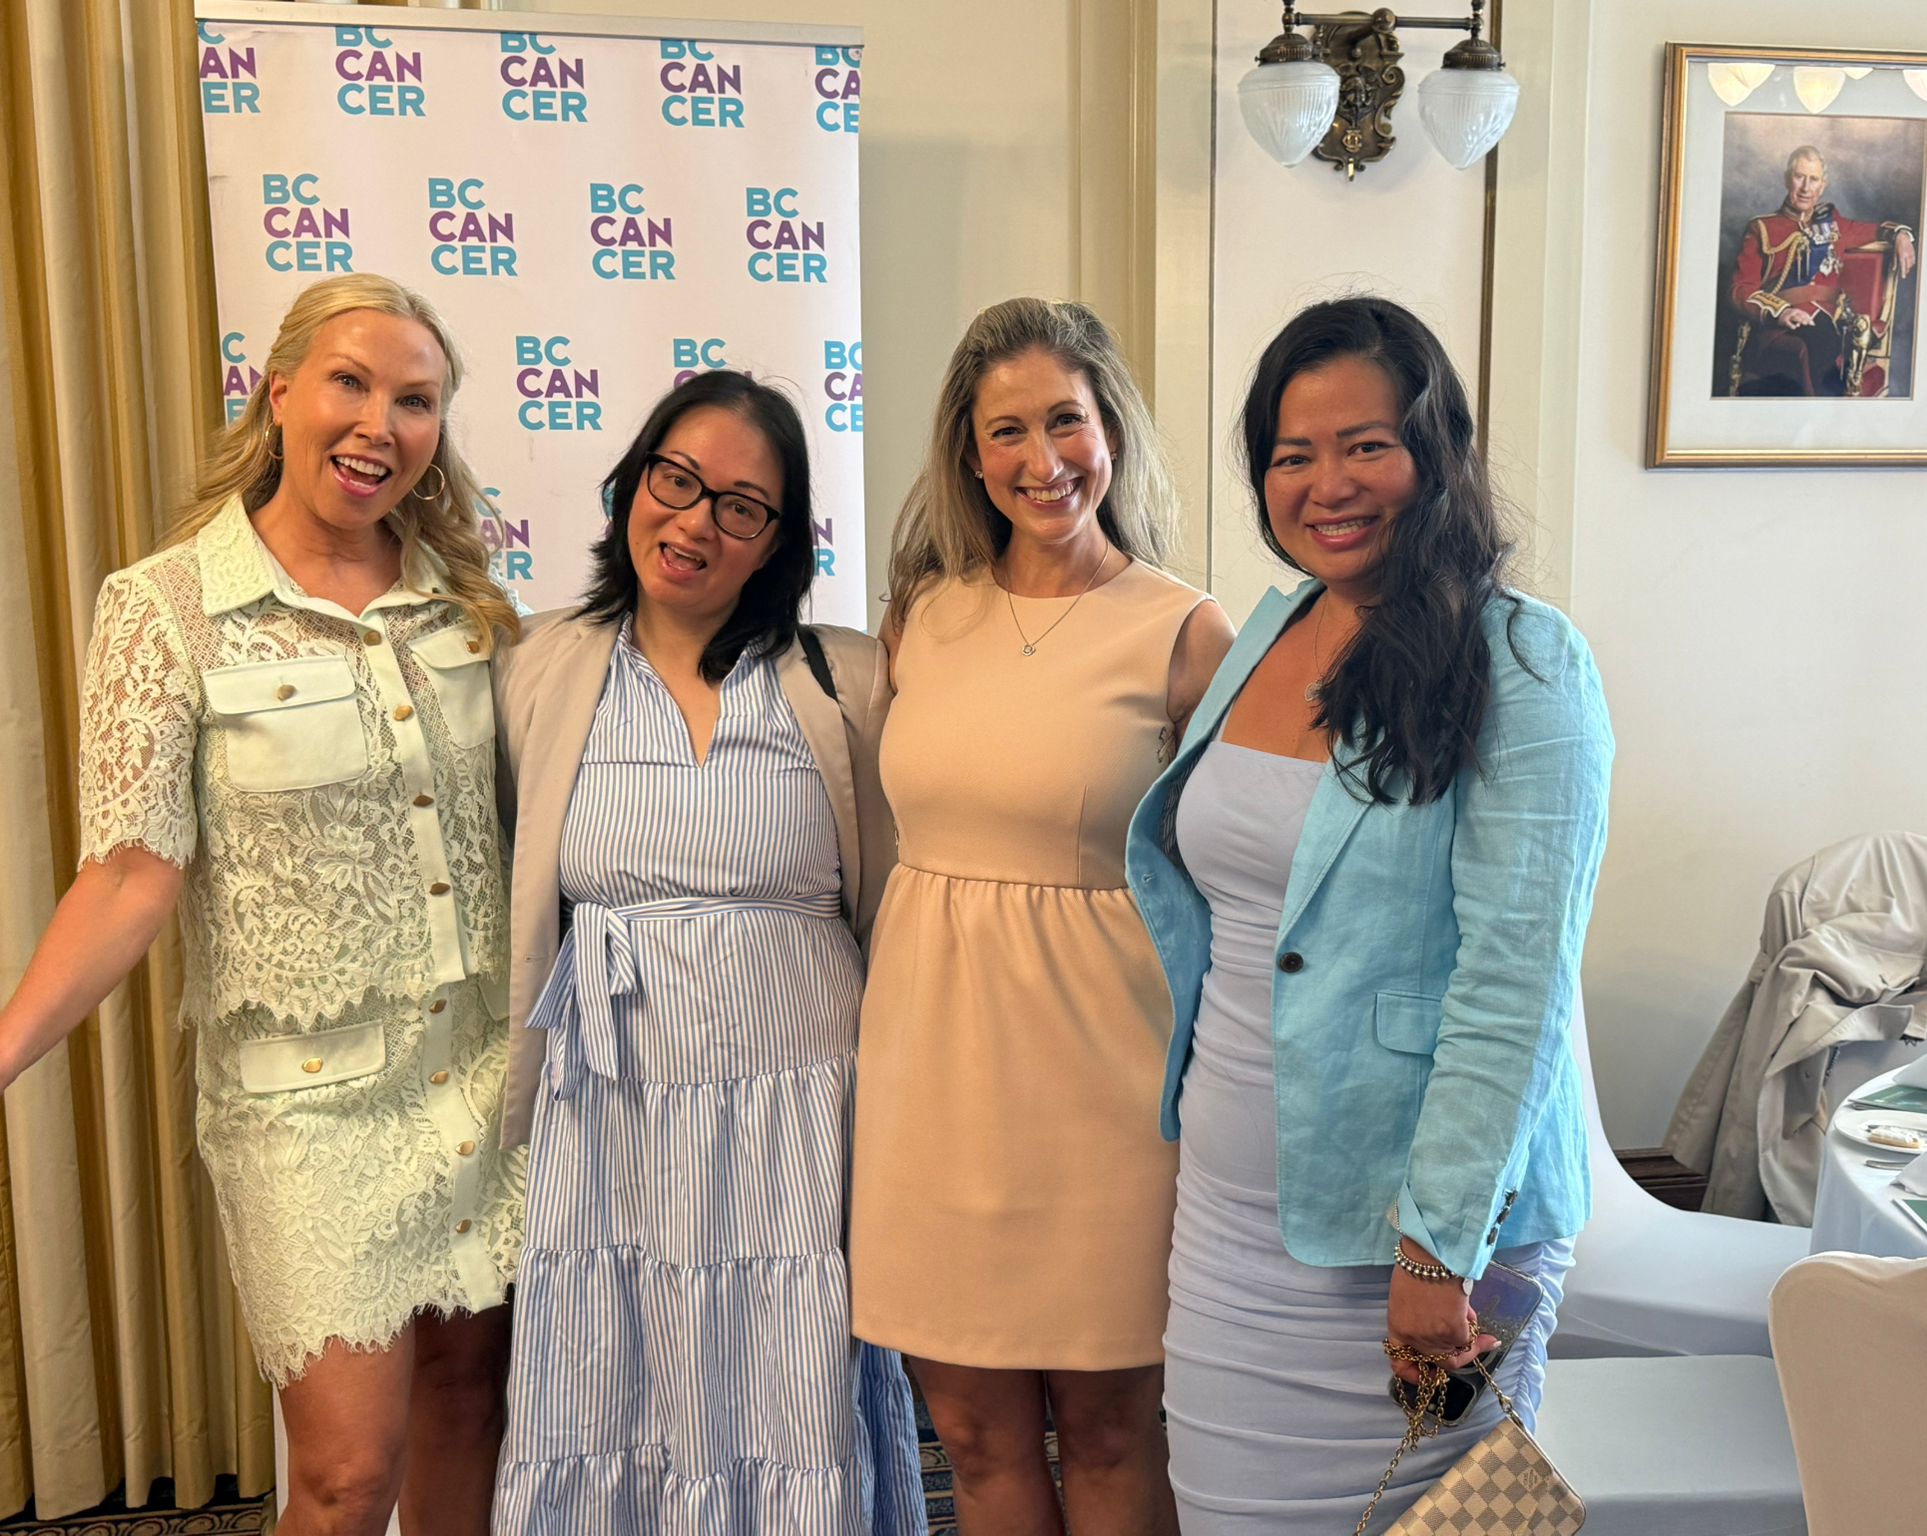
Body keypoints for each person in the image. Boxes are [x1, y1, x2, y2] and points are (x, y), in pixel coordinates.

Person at [0, 273, 524, 1534]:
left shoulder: (467, 601)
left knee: (473, 1410)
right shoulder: (165, 609)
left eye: (416, 400)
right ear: (278, 391)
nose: (379, 424)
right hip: (306, 1107)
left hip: (485, 1076)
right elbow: (128, 874)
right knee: (345, 1477)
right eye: (350, 382)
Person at [1125, 295, 1614, 1533]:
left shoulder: (1525, 663)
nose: (1326, 484)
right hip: (1230, 1219)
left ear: (1433, 452)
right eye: (1291, 454)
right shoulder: (1273, 628)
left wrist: (1433, 1250)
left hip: (1417, 1245)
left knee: (1446, 1523)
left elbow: (1514, 985)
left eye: (1364, 445)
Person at [489, 372, 925, 1534]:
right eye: (675, 480)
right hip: (612, 1101)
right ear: (631, 481)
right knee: (609, 1380)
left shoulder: (846, 678)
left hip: (798, 1104)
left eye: (740, 506)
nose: (694, 522)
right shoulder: (537, 668)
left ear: (777, 539)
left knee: (787, 1390)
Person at [849, 297, 1235, 1534]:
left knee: (1110, 1430)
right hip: (929, 1078)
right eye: (1005, 431)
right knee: (971, 1434)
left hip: (1104, 1086)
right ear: (969, 457)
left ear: (1109, 429)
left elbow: (1234, 875)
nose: (1041, 459)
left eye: (1064, 421)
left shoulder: (1186, 632)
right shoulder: (919, 621)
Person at [1727, 144, 1917, 396]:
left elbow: (1875, 231)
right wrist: (1780, 312)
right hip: (1779, 325)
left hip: (1831, 320)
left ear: (1823, 186)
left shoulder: (1832, 224)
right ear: (1787, 179)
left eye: (1813, 179)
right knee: (1820, 341)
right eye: (1799, 177)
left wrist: (1901, 234)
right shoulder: (1762, 228)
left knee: (1828, 337)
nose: (1806, 188)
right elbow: (1740, 290)